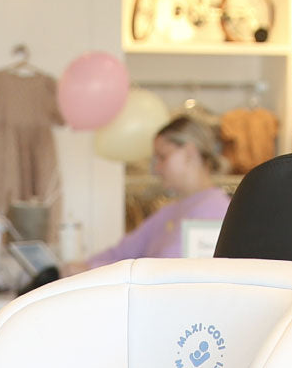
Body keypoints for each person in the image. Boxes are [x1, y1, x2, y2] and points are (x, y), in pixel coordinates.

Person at [68, 115, 230, 271]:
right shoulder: (170, 212)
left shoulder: (216, 210)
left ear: (189, 153)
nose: (157, 168)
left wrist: (89, 269)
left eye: (162, 157)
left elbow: (168, 271)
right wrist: (85, 269)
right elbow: (122, 252)